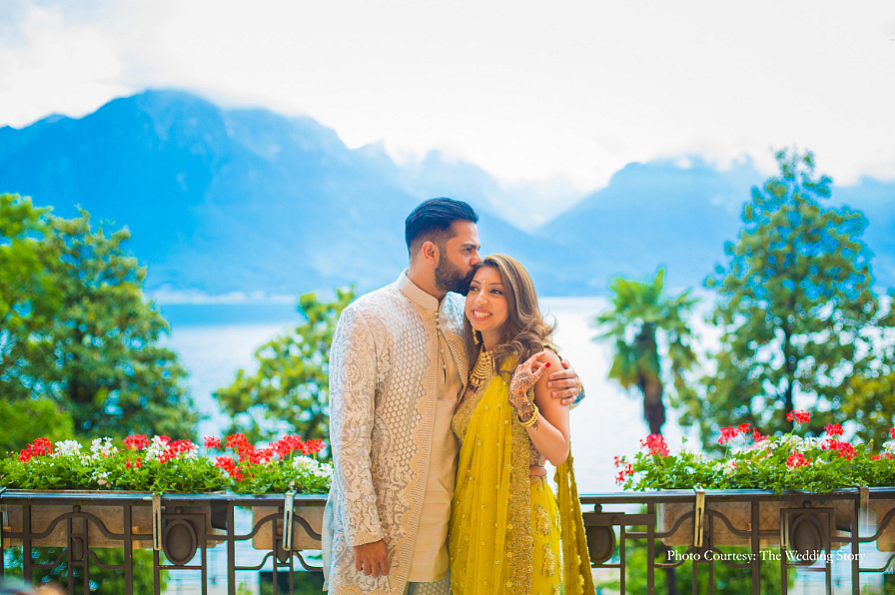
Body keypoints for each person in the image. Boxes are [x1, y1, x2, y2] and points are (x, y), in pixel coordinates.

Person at [323, 199, 582, 595]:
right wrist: (363, 531)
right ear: (431, 252)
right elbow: (347, 435)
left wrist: (573, 387)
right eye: (467, 249)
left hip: (452, 532)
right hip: (383, 536)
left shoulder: (465, 316)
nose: (476, 260)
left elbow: (517, 367)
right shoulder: (367, 318)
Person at [449, 254, 595, 595]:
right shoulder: (471, 360)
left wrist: (522, 403)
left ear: (517, 302)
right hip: (473, 518)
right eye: (474, 288)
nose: (480, 299)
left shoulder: (540, 359)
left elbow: (559, 451)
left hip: (523, 517)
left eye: (496, 291)